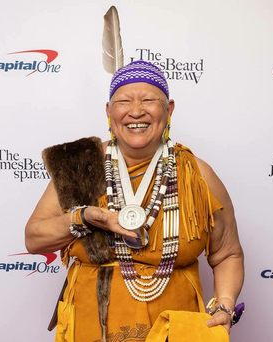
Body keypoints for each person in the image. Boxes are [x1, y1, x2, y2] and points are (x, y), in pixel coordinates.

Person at [25, 60, 244, 342]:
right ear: (109, 111)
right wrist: (83, 218)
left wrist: (224, 303)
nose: (136, 111)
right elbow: (34, 239)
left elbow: (228, 253)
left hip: (175, 331)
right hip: (91, 328)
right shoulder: (79, 166)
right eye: (124, 101)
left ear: (169, 109)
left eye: (149, 100)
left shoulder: (196, 174)